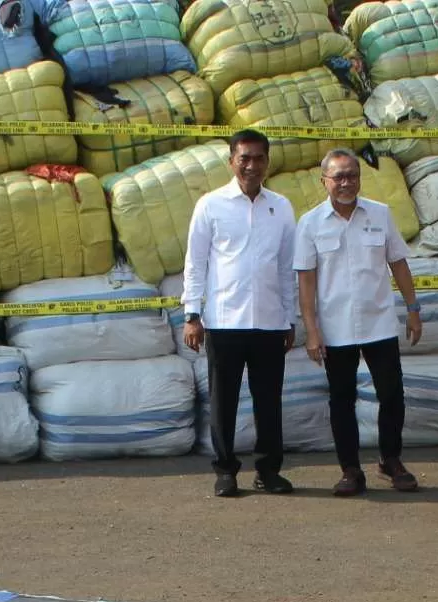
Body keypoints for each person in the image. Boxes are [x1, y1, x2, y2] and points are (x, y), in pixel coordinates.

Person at [295, 148, 424, 497]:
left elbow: (398, 264)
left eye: (352, 175)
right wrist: (312, 329)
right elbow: (306, 280)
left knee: (392, 394)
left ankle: (390, 459)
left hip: (379, 321)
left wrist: (413, 309)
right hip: (336, 328)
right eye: (338, 177)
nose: (346, 183)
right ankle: (350, 469)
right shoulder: (309, 224)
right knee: (342, 399)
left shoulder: (380, 215)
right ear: (324, 181)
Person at [181, 129, 297, 498]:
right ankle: (226, 470)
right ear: (231, 161)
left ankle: (268, 470)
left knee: (269, 401)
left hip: (267, 321)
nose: (251, 165)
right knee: (223, 400)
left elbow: (286, 267)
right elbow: (196, 263)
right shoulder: (211, 205)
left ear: (268, 161)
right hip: (224, 320)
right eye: (244, 158)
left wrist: (288, 317)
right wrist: (192, 314)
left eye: (258, 158)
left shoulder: (280, 206)